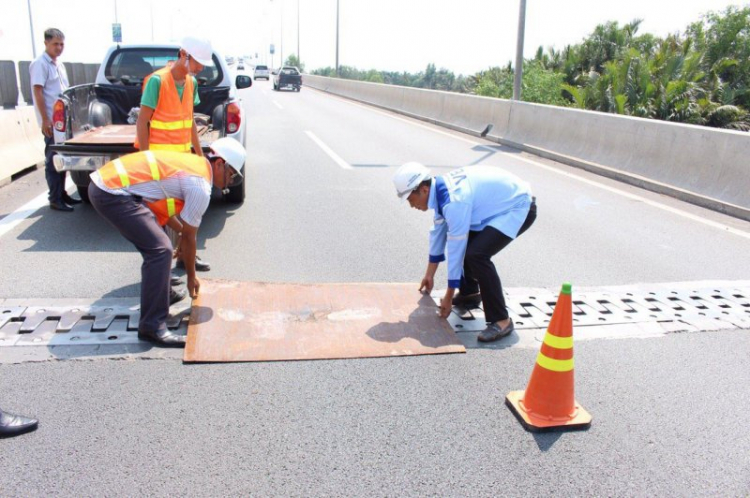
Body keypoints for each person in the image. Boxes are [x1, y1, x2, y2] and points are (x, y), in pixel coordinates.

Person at [88, 138, 246, 347]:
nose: (229, 182)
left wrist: (182, 234)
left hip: (109, 186)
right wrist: (191, 277)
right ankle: (152, 327)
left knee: (158, 240)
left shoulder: (194, 165)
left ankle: (162, 294)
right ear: (219, 164)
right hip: (112, 193)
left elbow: (175, 222)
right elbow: (190, 238)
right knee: (161, 250)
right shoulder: (200, 185)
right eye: (231, 175)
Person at [393, 162, 537, 342]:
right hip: (495, 208)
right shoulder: (440, 193)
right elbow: (437, 234)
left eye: (409, 199)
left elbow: (456, 249)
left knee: (476, 254)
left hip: (519, 206)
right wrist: (429, 275)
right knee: (470, 247)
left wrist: (448, 295)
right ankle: (470, 293)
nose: (411, 205)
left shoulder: (454, 202)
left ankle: (501, 320)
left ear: (422, 189)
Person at [135, 36, 214, 275]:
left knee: (187, 211)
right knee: (161, 214)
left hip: (182, 161)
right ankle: (162, 273)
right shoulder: (157, 81)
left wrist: (199, 157)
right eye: (197, 62)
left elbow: (189, 121)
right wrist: (145, 159)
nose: (200, 68)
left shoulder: (191, 83)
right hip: (159, 163)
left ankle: (185, 256)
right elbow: (142, 122)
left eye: (202, 64)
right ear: (183, 54)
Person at [30, 28, 80, 212]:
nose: (59, 48)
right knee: (52, 159)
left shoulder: (58, 65)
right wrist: (45, 120)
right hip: (52, 121)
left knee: (62, 158)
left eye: (61, 44)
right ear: (46, 44)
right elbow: (38, 92)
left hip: (63, 121)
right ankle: (54, 198)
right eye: (55, 44)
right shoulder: (40, 64)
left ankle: (62, 194)